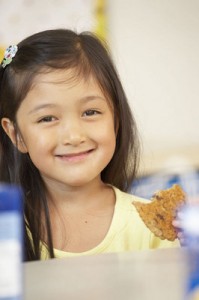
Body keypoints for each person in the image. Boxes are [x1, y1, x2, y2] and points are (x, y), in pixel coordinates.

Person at [0, 29, 180, 261]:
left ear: (115, 120)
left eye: (90, 112)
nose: (74, 136)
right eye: (47, 118)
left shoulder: (152, 229)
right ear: (16, 135)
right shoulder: (7, 228)